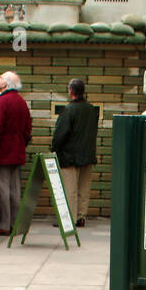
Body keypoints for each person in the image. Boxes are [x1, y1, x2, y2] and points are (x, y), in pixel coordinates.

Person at [0, 70, 30, 236]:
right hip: (17, 152)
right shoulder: (21, 102)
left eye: (1, 78)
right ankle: (15, 223)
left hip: (2, 153)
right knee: (14, 190)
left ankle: (3, 224)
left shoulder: (1, 102)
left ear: (5, 84)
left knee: (2, 190)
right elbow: (27, 129)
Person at [51, 77, 99, 228]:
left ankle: (69, 220)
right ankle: (81, 217)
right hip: (88, 154)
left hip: (70, 156)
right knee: (84, 189)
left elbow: (60, 135)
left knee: (70, 190)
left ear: (70, 91)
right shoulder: (91, 109)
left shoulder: (69, 110)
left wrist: (54, 148)